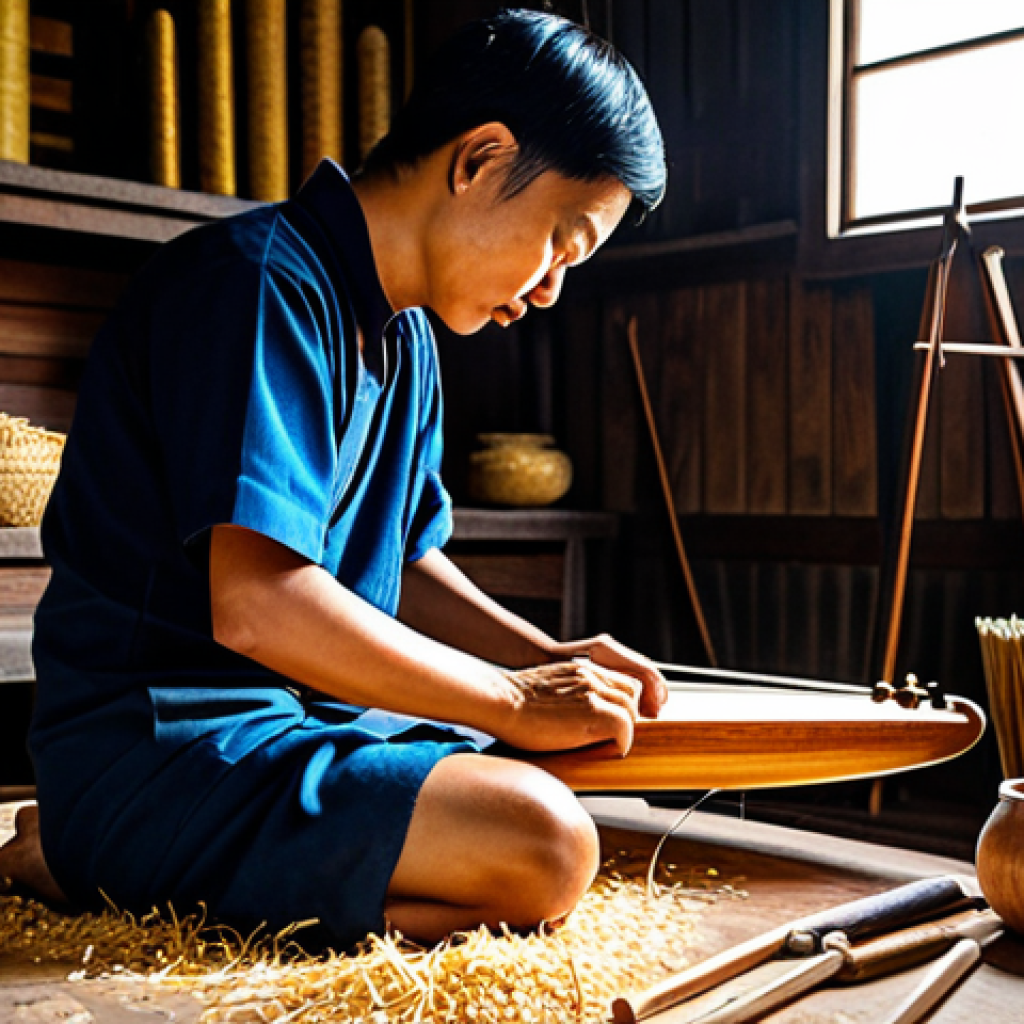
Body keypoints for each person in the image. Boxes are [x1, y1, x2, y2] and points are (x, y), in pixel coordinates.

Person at [0, 9, 668, 948]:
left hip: (295, 731)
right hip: (165, 745)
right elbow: (259, 607)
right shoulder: (255, 284)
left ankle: (123, 865)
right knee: (547, 841)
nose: (554, 285)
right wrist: (514, 700)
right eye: (561, 236)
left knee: (550, 798)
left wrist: (542, 659)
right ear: (480, 160)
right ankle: (84, 854)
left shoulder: (411, 337)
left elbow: (407, 559)